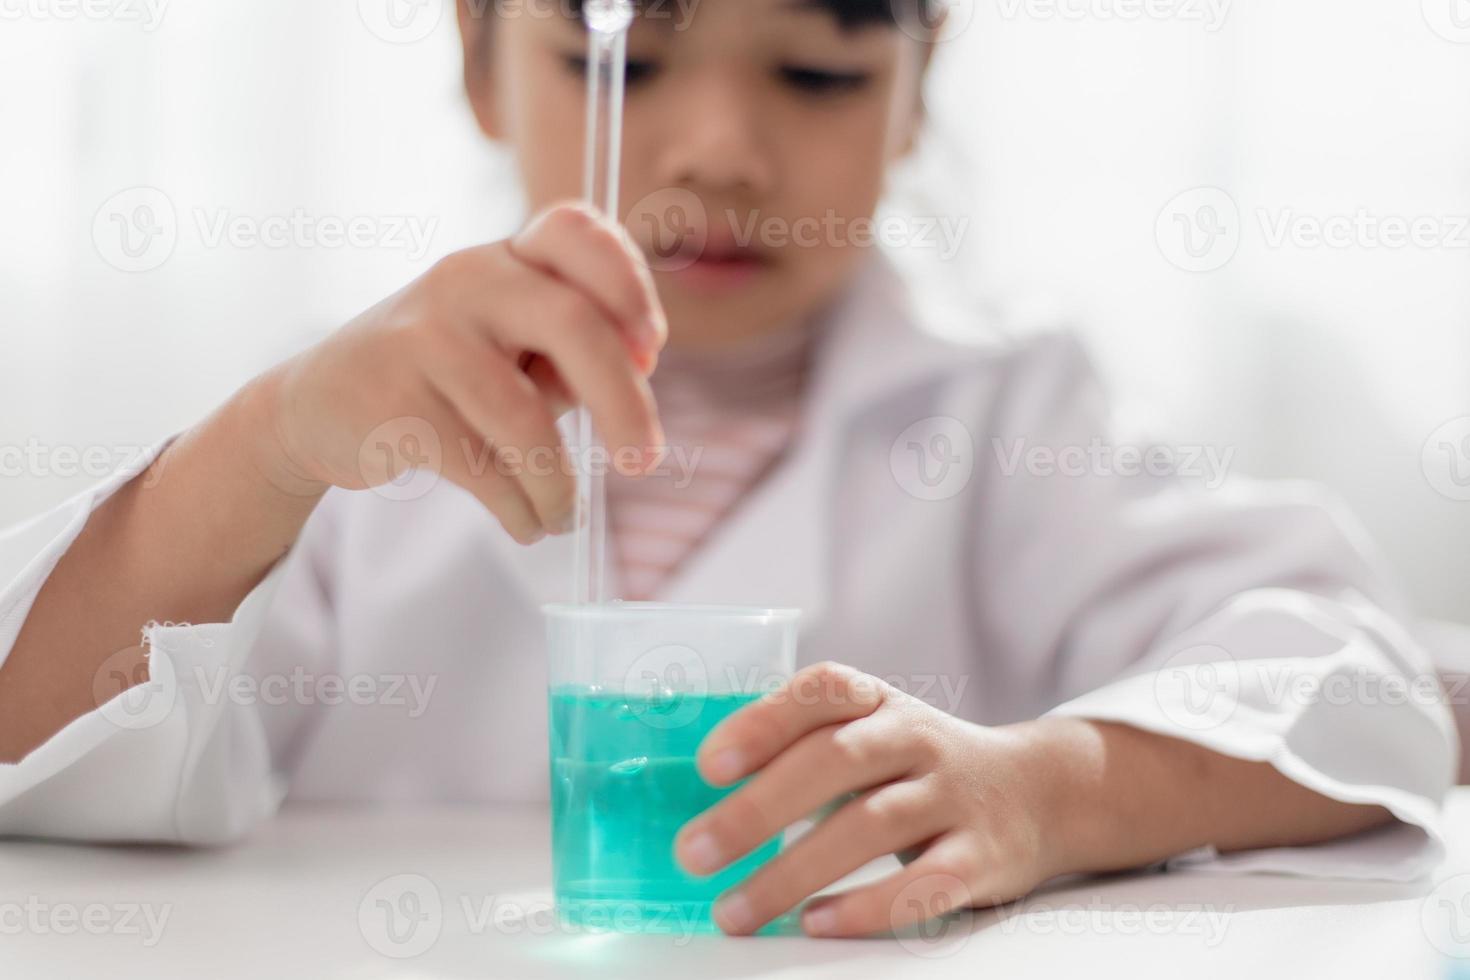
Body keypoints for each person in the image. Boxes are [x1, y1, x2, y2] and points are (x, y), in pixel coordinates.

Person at [0, 0, 1455, 939]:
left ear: (919, 79)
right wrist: (255, 450)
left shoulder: (1015, 413)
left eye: (820, 68)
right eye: (620, 53)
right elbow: (29, 735)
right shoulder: (332, 428)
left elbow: (1361, 688)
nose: (719, 146)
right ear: (475, 60)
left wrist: (1040, 792)